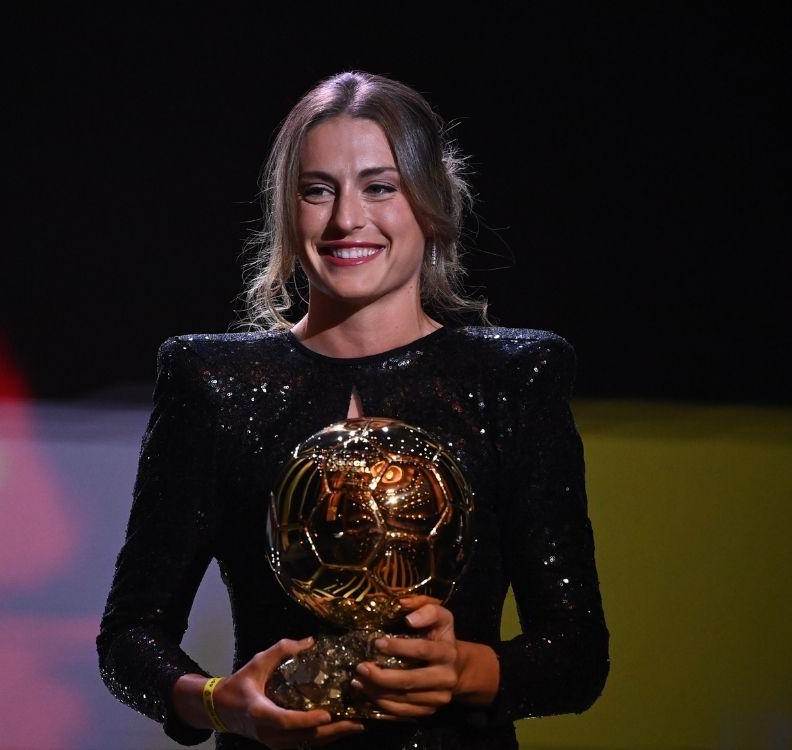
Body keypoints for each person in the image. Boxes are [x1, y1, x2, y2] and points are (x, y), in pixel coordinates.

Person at [96, 71, 609, 749]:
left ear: (430, 201)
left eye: (380, 186)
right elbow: (131, 637)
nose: (345, 219)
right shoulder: (213, 382)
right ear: (287, 210)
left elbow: (577, 655)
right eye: (317, 191)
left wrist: (469, 670)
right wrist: (222, 702)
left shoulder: (512, 379)